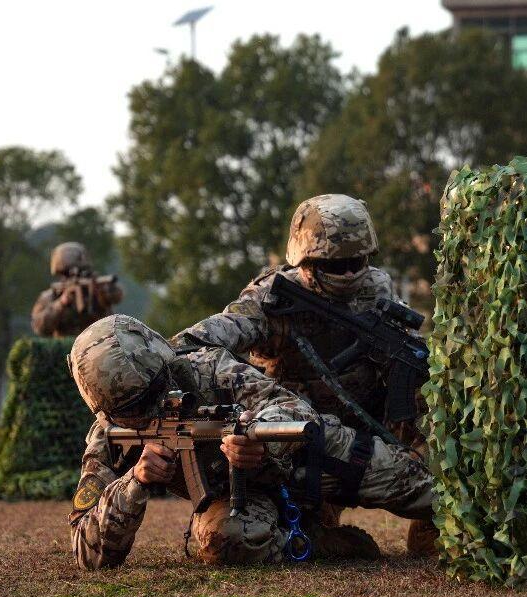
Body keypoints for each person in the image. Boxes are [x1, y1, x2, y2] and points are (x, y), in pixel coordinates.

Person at [173, 194, 438, 557]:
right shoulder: (272, 299)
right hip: (288, 449)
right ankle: (325, 539)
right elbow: (192, 345)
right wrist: (247, 398)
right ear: (305, 261)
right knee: (227, 539)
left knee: (428, 394)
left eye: (355, 262)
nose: (347, 274)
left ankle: (431, 524)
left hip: (358, 444)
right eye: (334, 265)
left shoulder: (377, 290)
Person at [67, 314, 434, 570]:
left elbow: (294, 410)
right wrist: (135, 483)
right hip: (243, 495)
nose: (154, 408)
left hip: (308, 453)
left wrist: (259, 439)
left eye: (156, 390)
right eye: (134, 408)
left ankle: (439, 525)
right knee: (224, 540)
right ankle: (313, 540)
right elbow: (87, 552)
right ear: (108, 410)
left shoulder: (208, 368)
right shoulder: (109, 435)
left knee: (430, 492)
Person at [31, 242, 124, 338]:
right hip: (67, 348)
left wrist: (102, 292)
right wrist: (61, 303)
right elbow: (40, 328)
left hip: (99, 344)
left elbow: (117, 296)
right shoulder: (52, 295)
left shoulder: (96, 287)